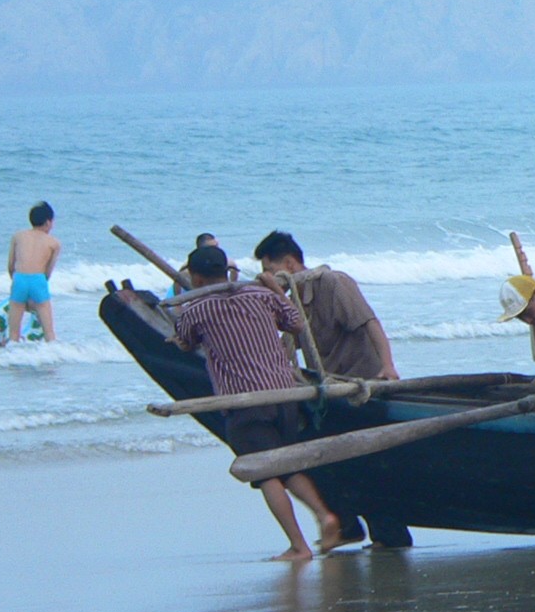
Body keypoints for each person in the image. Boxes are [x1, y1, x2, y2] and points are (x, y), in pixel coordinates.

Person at [170, 244, 353, 560]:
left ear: (196, 279)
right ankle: (325, 516)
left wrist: (180, 334)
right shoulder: (260, 295)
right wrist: (275, 289)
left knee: (266, 474)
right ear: (228, 272)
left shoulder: (197, 309)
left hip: (247, 401)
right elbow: (296, 323)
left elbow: (185, 342)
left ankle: (299, 546)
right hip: (284, 395)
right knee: (286, 466)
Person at [253, 231, 401, 381]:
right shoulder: (295, 301)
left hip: (361, 379)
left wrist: (388, 366)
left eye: (268, 271)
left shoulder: (333, 282)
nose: (266, 277)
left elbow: (370, 322)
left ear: (289, 264)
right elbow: (283, 346)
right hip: (328, 380)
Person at [2, 201, 60, 344]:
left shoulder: (18, 236)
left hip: (19, 279)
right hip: (38, 280)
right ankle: (53, 354)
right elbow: (47, 272)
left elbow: (10, 265)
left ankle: (13, 354)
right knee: (49, 333)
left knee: (14, 334)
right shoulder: (54, 243)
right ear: (48, 222)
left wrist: (17, 282)